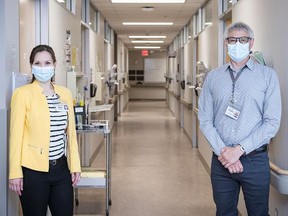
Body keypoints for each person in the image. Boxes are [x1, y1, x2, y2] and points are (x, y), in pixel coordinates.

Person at [198, 22, 281, 216]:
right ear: (226, 43)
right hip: (221, 161)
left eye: (242, 40)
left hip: (255, 160)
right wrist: (225, 153)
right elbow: (205, 119)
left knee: (258, 212)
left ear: (251, 43)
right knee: (224, 212)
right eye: (232, 40)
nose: (237, 44)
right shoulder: (213, 77)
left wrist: (239, 150)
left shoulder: (268, 76)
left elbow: (272, 122)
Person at [9, 44, 81, 216]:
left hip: (61, 169)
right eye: (38, 63)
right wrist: (14, 173)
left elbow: (71, 134)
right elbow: (15, 136)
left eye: (47, 63)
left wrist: (75, 165)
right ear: (32, 66)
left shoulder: (65, 94)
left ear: (54, 65)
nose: (43, 67)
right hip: (33, 173)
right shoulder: (22, 94)